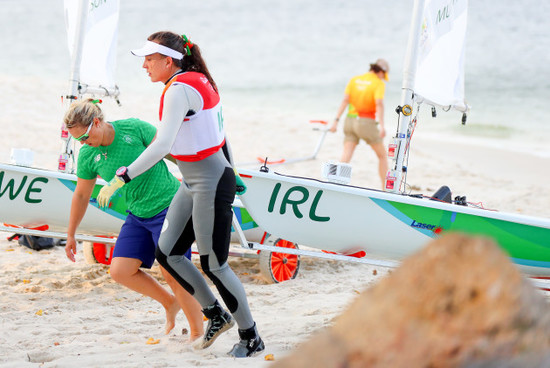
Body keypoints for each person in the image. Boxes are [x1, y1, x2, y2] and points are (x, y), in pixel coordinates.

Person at [96, 32, 264, 358]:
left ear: (167, 60)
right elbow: (215, 133)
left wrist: (124, 175)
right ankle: (215, 314)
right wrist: (231, 166)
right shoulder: (198, 80)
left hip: (211, 182)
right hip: (192, 182)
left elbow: (161, 144)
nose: (144, 65)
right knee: (168, 253)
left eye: (149, 59)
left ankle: (251, 336)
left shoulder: (178, 90)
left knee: (215, 264)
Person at [63, 98, 204, 340]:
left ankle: (198, 331)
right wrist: (70, 234)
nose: (82, 144)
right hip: (138, 214)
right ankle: (170, 303)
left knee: (173, 270)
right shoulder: (88, 155)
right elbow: (82, 194)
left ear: (96, 122)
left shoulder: (134, 128)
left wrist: (206, 177)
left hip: (170, 205)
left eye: (84, 137)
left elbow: (174, 154)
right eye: (76, 140)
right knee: (120, 271)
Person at [330, 58, 390, 189]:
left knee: (346, 155)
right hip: (365, 123)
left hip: (349, 121)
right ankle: (386, 189)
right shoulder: (378, 83)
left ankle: (336, 183)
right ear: (381, 72)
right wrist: (382, 126)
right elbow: (379, 104)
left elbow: (345, 101)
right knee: (382, 156)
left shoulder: (355, 79)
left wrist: (335, 121)